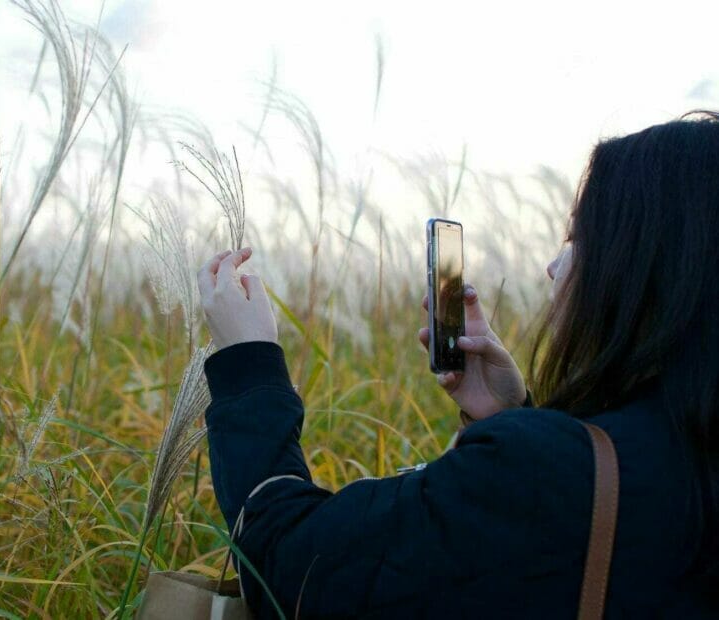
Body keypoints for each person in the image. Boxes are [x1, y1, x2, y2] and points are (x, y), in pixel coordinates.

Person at [196, 111, 719, 618]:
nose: (553, 266)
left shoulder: (539, 473)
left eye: (578, 240)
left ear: (639, 271)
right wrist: (513, 417)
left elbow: (292, 570)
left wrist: (250, 366)